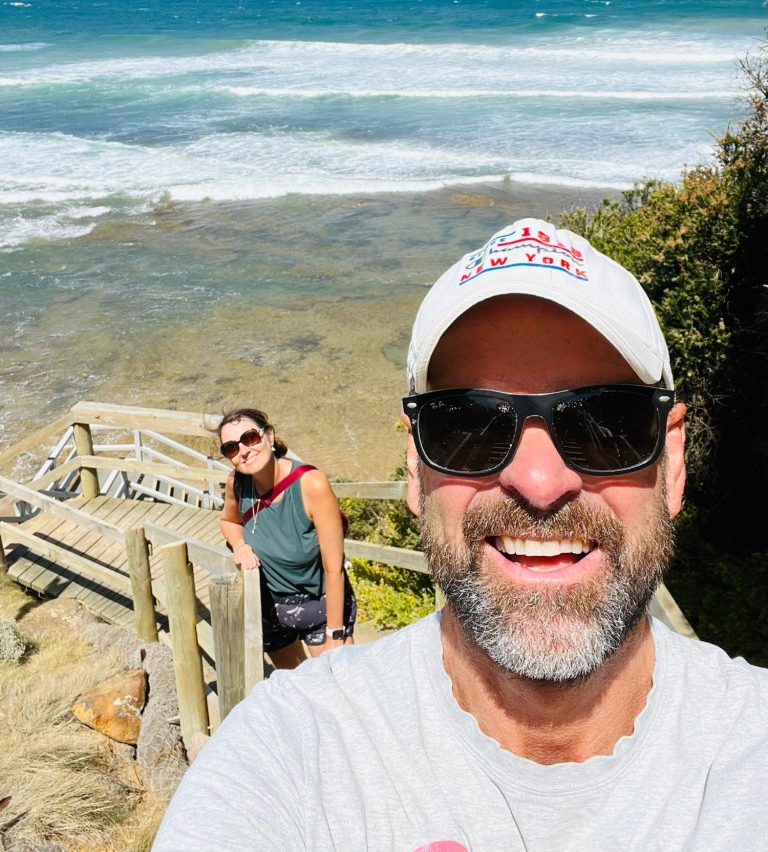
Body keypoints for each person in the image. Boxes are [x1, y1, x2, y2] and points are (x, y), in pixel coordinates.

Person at [154, 219, 768, 851]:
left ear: (673, 463)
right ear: (415, 470)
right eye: (468, 426)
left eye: (605, 423)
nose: (538, 482)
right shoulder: (290, 748)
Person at [217, 407, 355, 669]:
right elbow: (229, 521)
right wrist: (240, 545)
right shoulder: (237, 482)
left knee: (340, 683)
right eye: (231, 448)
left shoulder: (311, 485)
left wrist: (335, 635)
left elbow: (333, 567)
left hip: (321, 605)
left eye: (250, 438)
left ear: (269, 435)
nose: (243, 450)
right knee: (296, 687)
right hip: (271, 608)